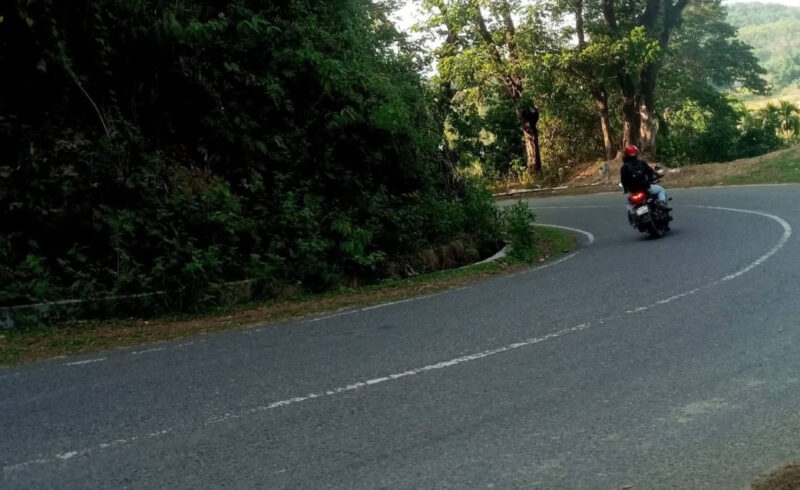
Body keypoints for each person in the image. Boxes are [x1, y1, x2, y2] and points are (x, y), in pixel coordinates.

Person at [619, 144, 670, 209]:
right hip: (645, 187)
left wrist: (626, 189)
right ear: (636, 153)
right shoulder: (641, 163)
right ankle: (661, 202)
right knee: (661, 189)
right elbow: (650, 171)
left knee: (629, 203)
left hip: (633, 190)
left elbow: (623, 180)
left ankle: (634, 211)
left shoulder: (624, 167)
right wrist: (657, 175)